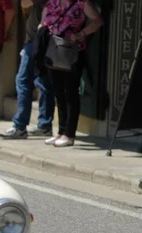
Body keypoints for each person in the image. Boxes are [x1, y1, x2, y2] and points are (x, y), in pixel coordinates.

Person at [41, 0, 103, 147]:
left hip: (72, 53)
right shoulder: (51, 3)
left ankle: (69, 133)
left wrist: (82, 33)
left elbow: (98, 21)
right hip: (54, 52)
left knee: (70, 92)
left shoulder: (81, 3)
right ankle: (61, 131)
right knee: (58, 92)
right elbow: (44, 22)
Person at [0, 0, 55, 139]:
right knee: (42, 82)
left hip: (37, 43)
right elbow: (24, 4)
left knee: (23, 81)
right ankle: (44, 125)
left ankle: (20, 126)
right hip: (36, 42)